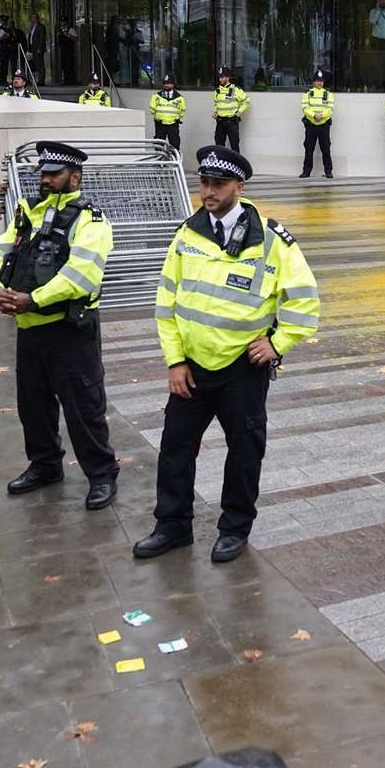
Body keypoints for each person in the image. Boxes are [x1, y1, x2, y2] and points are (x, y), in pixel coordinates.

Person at [133, 145, 320, 562]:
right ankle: (172, 526)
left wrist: (277, 342)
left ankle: (235, 528)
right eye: (203, 182)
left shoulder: (271, 239)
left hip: (242, 369)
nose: (208, 191)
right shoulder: (187, 234)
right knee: (175, 448)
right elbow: (167, 304)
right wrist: (175, 361)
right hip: (193, 367)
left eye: (218, 184)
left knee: (244, 450)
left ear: (240, 185)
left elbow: (305, 300)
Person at [0, 141, 119, 510]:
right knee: (34, 405)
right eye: (42, 173)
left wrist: (34, 299)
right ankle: (45, 465)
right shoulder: (27, 214)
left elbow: (82, 275)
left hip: (69, 330)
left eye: (54, 174)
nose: (45, 179)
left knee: (83, 406)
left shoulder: (91, 220)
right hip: (29, 328)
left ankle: (102, 473)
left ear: (75, 176)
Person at [300, 69, 334, 179]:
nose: (320, 83)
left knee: (326, 149)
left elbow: (330, 108)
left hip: (324, 125)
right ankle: (306, 171)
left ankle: (328, 171)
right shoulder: (307, 94)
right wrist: (314, 116)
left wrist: (322, 116)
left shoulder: (328, 94)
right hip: (311, 125)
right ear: (314, 82)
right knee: (309, 149)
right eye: (317, 80)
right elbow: (305, 108)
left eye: (321, 80)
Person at [212, 65, 249, 151]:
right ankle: (220, 164)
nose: (220, 79)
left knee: (234, 146)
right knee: (219, 147)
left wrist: (239, 111)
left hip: (231, 122)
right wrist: (215, 112)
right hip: (220, 123)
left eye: (222, 77)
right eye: (219, 77)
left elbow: (246, 101)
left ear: (228, 77)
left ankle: (236, 164)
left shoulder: (235, 90)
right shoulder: (217, 91)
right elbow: (217, 104)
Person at [151, 75, 186, 153]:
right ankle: (159, 163)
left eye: (168, 83)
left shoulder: (179, 97)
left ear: (173, 85)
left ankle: (173, 163)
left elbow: (182, 111)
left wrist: (174, 118)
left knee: (175, 146)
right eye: (165, 83)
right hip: (160, 124)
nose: (166, 85)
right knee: (159, 146)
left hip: (173, 125)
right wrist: (159, 116)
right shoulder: (157, 96)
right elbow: (152, 109)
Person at [27, 14, 47, 86]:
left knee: (40, 64)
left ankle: (42, 81)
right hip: (32, 48)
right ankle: (38, 80)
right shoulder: (32, 27)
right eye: (32, 17)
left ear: (38, 18)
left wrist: (40, 48)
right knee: (36, 64)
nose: (33, 19)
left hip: (38, 48)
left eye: (35, 17)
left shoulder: (41, 27)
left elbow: (42, 38)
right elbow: (31, 37)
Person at [0, 16, 15, 86]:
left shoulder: (7, 28)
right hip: (2, 49)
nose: (4, 22)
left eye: (5, 21)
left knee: (5, 65)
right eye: (3, 21)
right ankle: (1, 80)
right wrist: (5, 37)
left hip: (7, 49)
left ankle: (4, 79)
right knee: (3, 65)